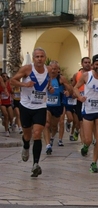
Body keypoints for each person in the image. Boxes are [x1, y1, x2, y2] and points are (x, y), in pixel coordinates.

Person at [10, 47, 54, 177]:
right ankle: (25, 146)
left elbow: (48, 82)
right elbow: (12, 80)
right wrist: (25, 85)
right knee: (27, 135)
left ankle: (35, 164)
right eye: (37, 57)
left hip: (40, 106)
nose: (39, 59)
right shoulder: (27, 69)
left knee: (37, 133)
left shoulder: (49, 70)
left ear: (45, 58)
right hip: (26, 106)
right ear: (34, 58)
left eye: (42, 56)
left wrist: (50, 88)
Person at [43, 61, 72, 154]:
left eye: (55, 69)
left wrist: (68, 92)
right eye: (51, 68)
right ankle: (48, 146)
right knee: (47, 124)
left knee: (54, 126)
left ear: (58, 70)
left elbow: (70, 89)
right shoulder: (45, 78)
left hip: (58, 105)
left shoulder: (61, 79)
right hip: (47, 105)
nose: (53, 70)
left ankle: (52, 137)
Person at [71, 57, 92, 142]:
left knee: (90, 122)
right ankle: (83, 142)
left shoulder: (93, 74)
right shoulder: (77, 75)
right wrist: (75, 94)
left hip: (90, 102)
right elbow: (73, 87)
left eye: (89, 62)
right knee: (80, 122)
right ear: (82, 64)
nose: (87, 64)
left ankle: (90, 138)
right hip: (80, 101)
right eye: (85, 62)